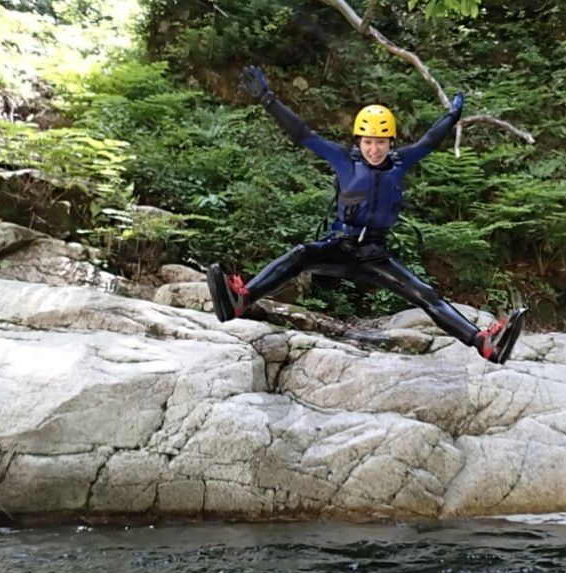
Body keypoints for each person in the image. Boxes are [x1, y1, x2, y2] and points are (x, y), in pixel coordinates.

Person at [207, 65, 526, 364]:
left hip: (375, 255)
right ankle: (241, 300)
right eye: (369, 142)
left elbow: (430, 140)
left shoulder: (400, 162)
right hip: (339, 245)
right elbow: (302, 132)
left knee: (425, 294)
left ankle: (484, 344)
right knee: (302, 254)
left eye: (381, 142)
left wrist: (452, 115)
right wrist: (267, 98)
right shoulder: (343, 158)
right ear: (359, 141)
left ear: (391, 141)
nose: (375, 149)